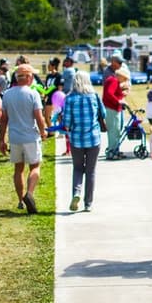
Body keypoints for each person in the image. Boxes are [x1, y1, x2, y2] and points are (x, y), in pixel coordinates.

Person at [0, 64, 48, 214]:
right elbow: (38, 116)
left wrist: (2, 139)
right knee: (35, 166)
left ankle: (20, 200)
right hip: (31, 136)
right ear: (28, 77)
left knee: (18, 169)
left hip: (15, 137)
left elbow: (4, 119)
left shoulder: (7, 94)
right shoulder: (33, 94)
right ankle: (30, 194)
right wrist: (43, 131)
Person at [63, 71, 106, 212]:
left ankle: (76, 193)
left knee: (77, 168)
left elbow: (67, 122)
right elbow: (103, 114)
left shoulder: (69, 99)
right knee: (91, 170)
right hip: (93, 138)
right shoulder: (94, 96)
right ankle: (88, 203)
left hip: (76, 140)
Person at [102, 68, 129, 159]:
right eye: (124, 78)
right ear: (120, 76)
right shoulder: (114, 81)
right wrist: (118, 101)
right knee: (114, 131)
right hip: (112, 108)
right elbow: (109, 94)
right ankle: (112, 152)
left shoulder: (111, 80)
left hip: (112, 108)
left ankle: (114, 150)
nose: (124, 81)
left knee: (115, 130)